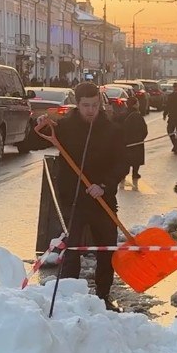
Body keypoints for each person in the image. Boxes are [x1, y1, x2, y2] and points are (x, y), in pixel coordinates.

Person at [45, 82, 128, 312]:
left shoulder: (112, 130)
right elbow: (36, 141)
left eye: (94, 105)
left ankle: (103, 296)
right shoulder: (64, 128)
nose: (91, 110)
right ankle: (71, 297)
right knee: (72, 250)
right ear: (77, 104)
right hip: (73, 198)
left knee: (107, 249)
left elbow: (122, 163)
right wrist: (40, 126)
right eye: (85, 106)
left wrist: (104, 185)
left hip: (103, 199)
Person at [122, 96, 148, 180]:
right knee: (136, 159)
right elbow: (144, 129)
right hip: (137, 142)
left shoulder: (123, 115)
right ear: (135, 105)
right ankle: (135, 173)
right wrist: (141, 138)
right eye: (137, 103)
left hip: (125, 142)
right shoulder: (137, 116)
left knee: (125, 159)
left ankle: (123, 175)